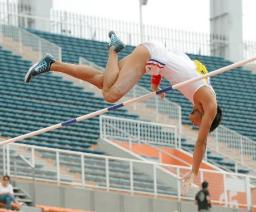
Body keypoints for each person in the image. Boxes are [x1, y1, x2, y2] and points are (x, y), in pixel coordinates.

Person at [24, 31, 222, 185]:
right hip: (152, 55)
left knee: (103, 80)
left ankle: (51, 64)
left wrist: (155, 84)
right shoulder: (210, 104)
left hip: (155, 55)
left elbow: (178, 61)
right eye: (200, 124)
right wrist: (194, 171)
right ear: (207, 118)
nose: (195, 125)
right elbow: (201, 142)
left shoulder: (202, 84)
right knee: (111, 95)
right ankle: (113, 48)